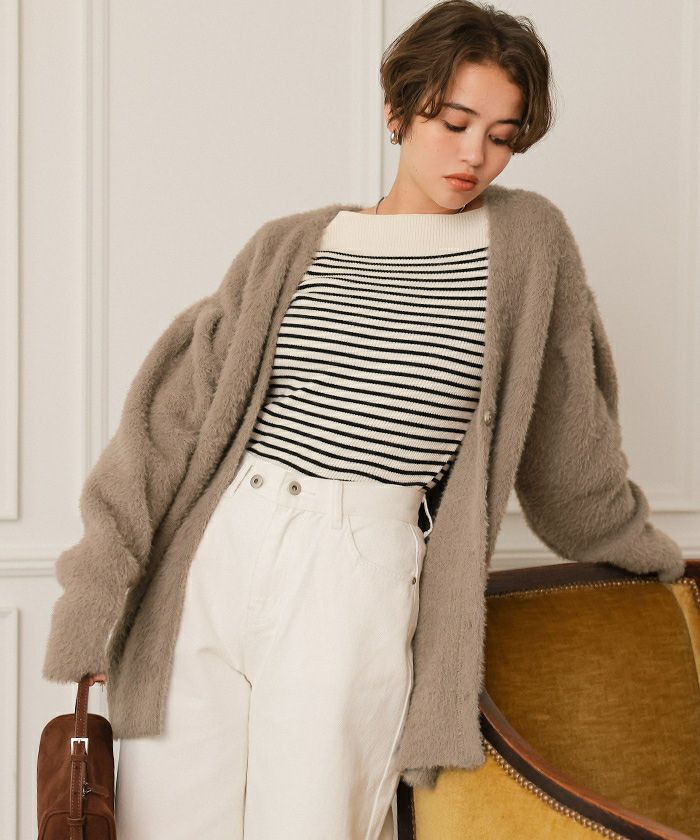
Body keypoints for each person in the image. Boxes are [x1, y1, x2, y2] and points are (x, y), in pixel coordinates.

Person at [44, 2, 686, 839]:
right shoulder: (288, 245)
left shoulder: (527, 244)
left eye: (501, 135)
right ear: (397, 110)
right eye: (453, 122)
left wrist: (648, 552)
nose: (474, 154)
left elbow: (570, 445)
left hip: (355, 567)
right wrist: (95, 596)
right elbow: (166, 426)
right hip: (214, 556)